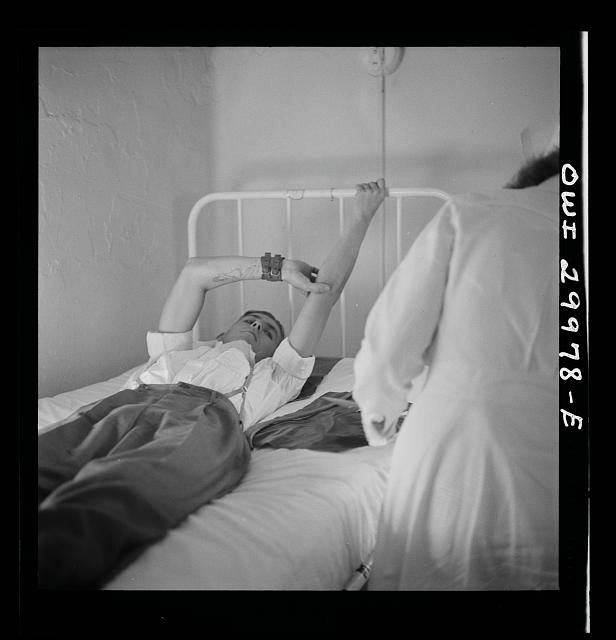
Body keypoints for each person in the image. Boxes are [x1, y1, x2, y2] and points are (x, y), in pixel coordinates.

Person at [38, 179, 386, 589]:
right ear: (220, 332)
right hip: (121, 406)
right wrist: (277, 269)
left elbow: (324, 296)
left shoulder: (276, 374)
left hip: (204, 421)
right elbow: (194, 274)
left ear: (276, 351)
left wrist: (361, 216)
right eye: (251, 319)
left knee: (117, 495)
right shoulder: (175, 354)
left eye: (270, 330)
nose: (259, 325)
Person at [353, 135, 560, 590]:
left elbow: (392, 342)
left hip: (452, 448)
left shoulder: (474, 212)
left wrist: (379, 415)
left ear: (534, 174)